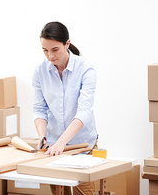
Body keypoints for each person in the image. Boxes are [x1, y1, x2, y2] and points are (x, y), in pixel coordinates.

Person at [32, 21, 98, 195]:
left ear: (67, 44)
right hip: (53, 147)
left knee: (85, 192)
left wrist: (61, 142)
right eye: (45, 50)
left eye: (55, 50)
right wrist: (42, 136)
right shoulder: (40, 72)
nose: (50, 56)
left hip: (83, 145)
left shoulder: (86, 69)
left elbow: (84, 112)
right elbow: (39, 109)